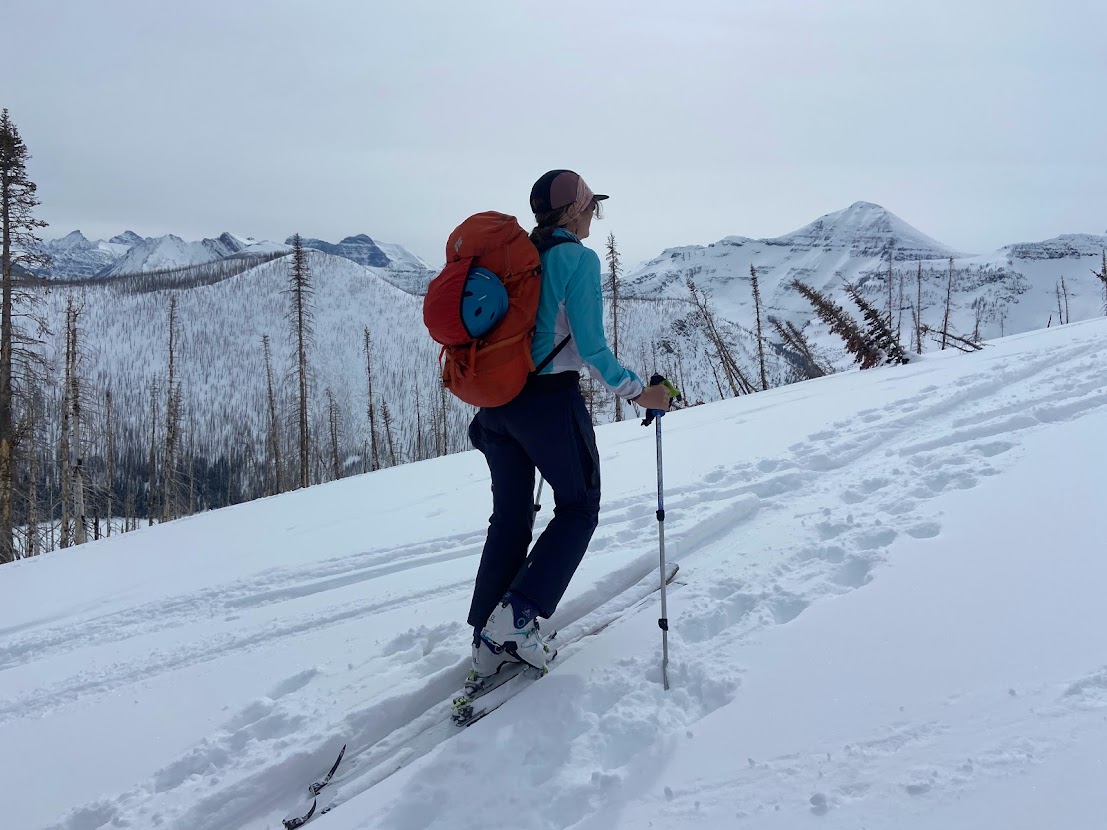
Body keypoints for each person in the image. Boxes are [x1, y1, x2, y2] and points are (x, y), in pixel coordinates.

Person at [467, 169, 673, 679]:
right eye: (591, 209)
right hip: (548, 403)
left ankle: (487, 636)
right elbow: (592, 347)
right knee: (579, 506)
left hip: (498, 406)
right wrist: (639, 393)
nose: (593, 219)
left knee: (510, 518)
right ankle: (516, 618)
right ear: (574, 211)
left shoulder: (519, 256)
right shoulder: (577, 260)